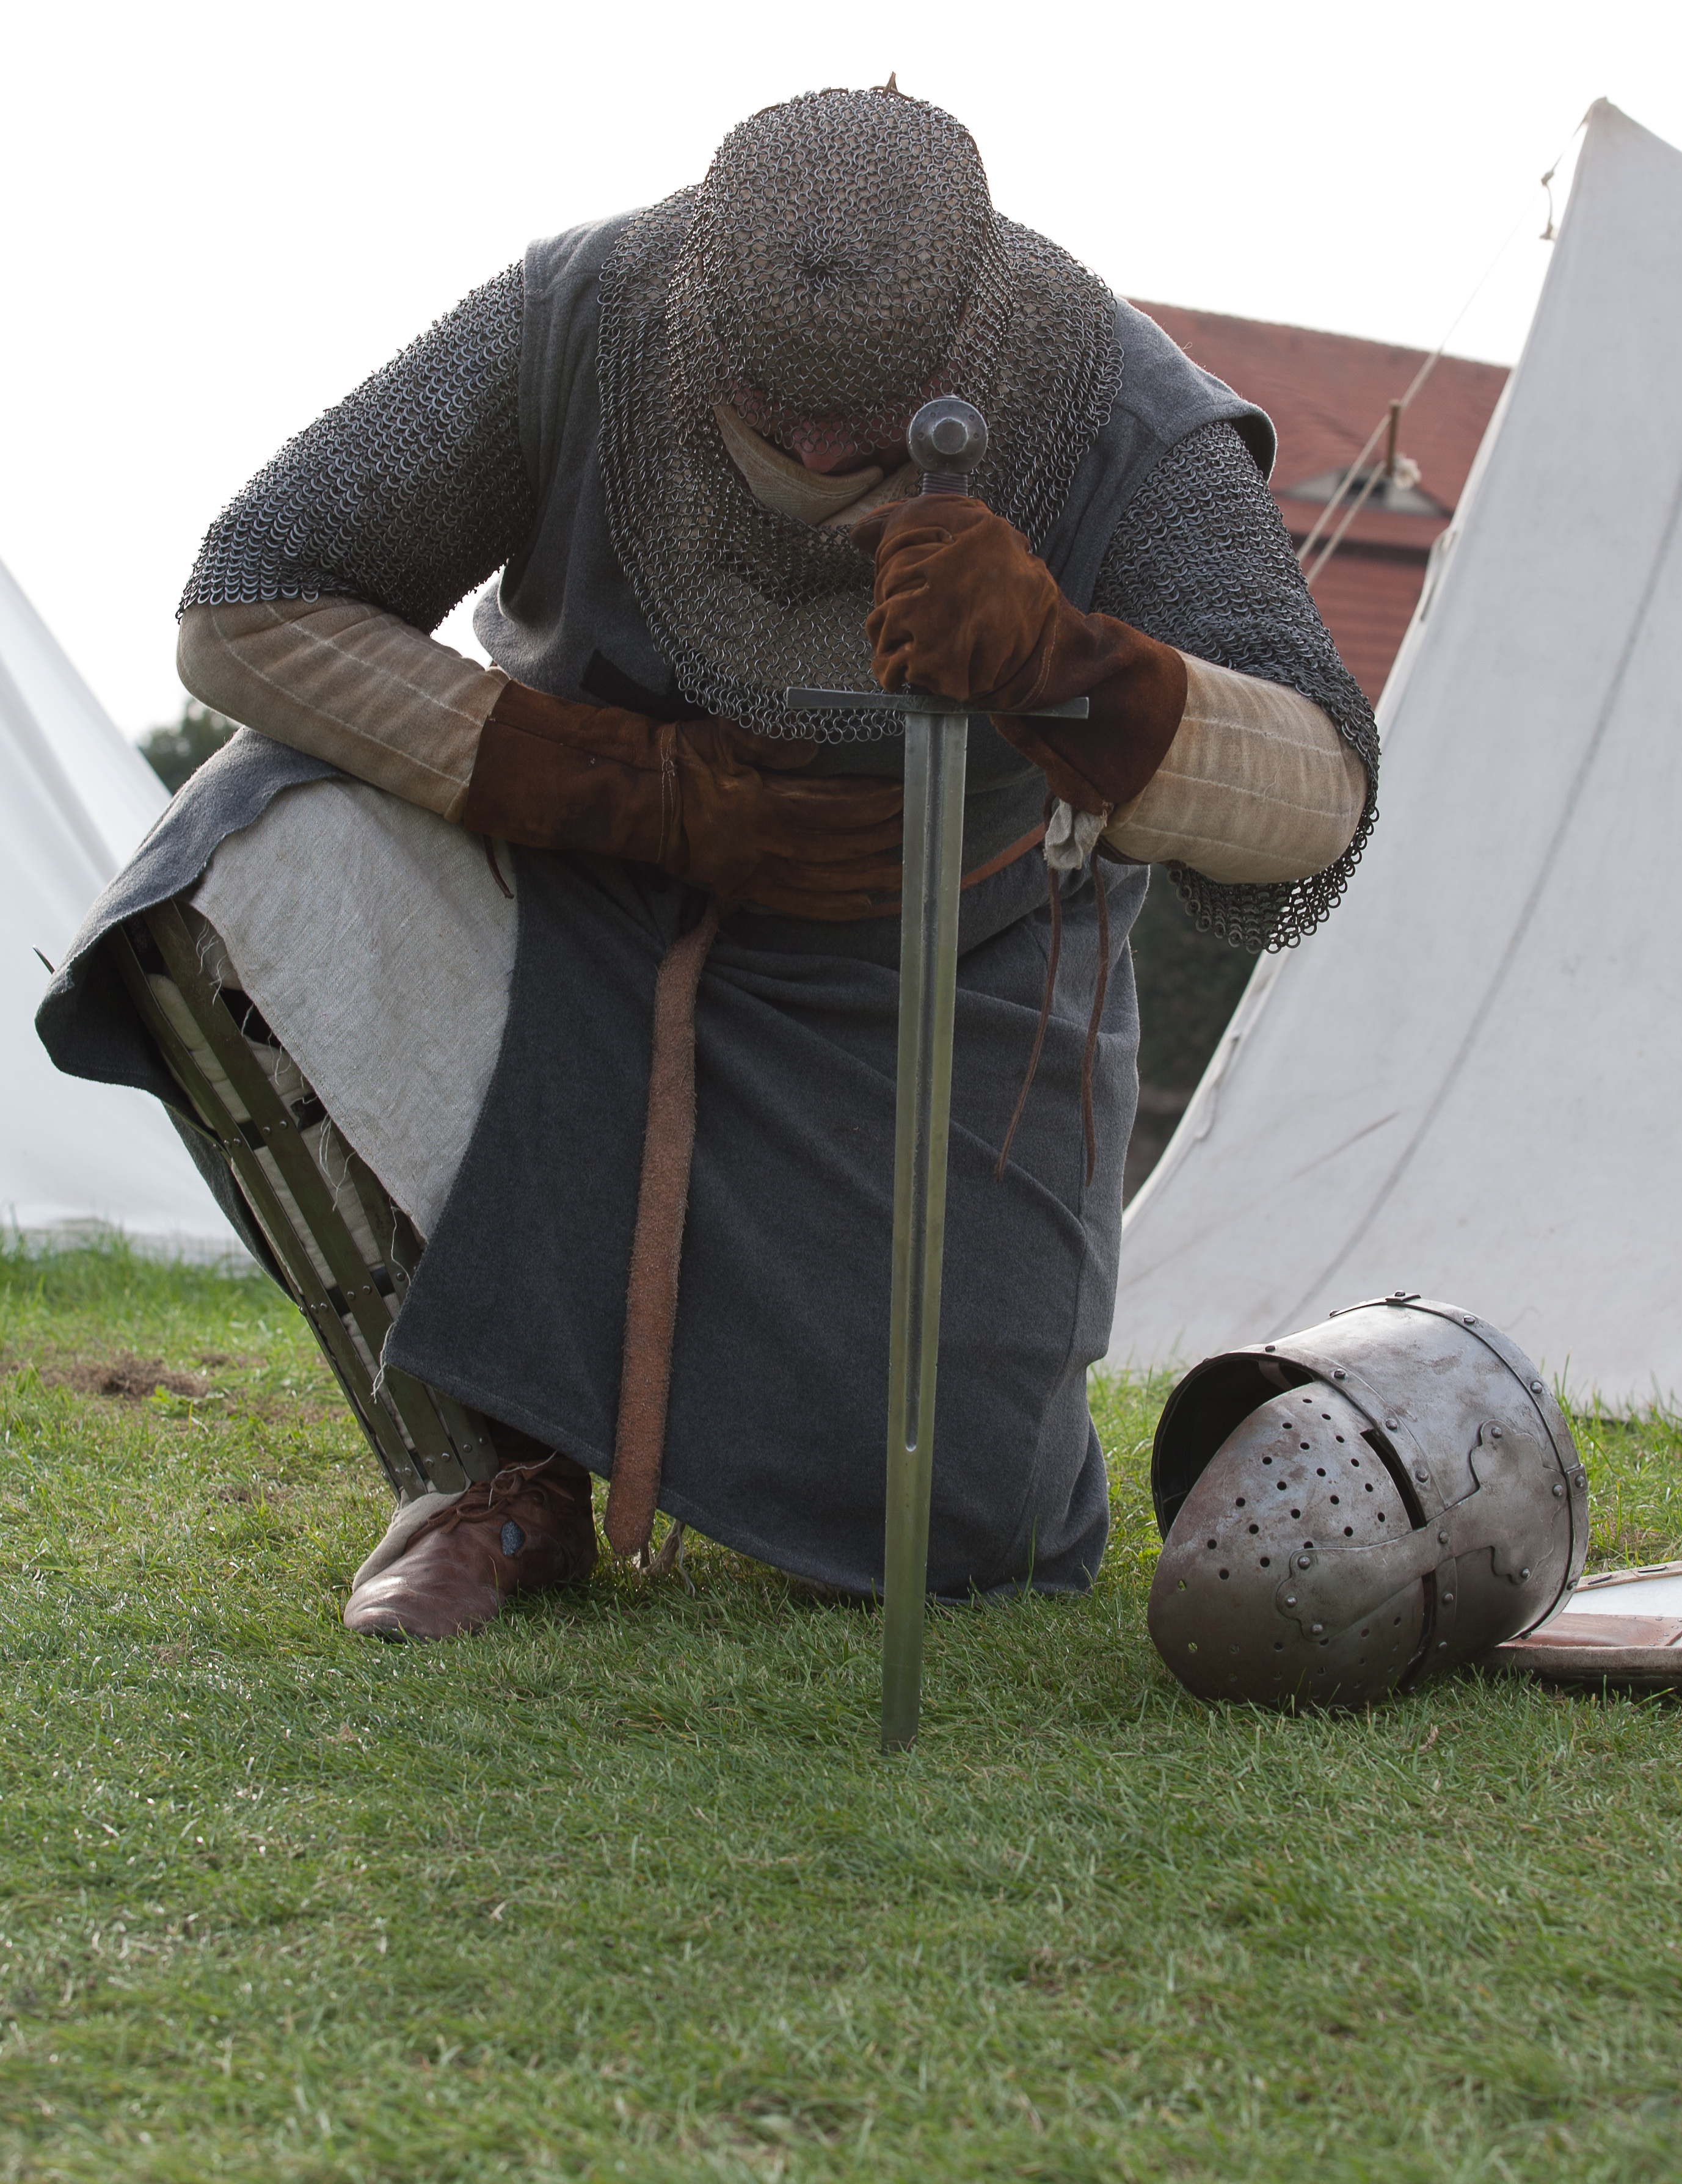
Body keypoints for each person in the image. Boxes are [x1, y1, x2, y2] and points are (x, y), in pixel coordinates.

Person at [38, 82, 1377, 1639]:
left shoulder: (1117, 406)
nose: (811, 442)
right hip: (571, 919)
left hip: (944, 993)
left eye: (860, 411)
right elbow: (248, 607)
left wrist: (1069, 667)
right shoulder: (580, 317)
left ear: (966, 338)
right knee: (250, 846)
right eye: (768, 398)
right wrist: (626, 785)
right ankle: (481, 1471)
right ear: (698, 306)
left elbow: (1320, 793)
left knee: (958, 1527)